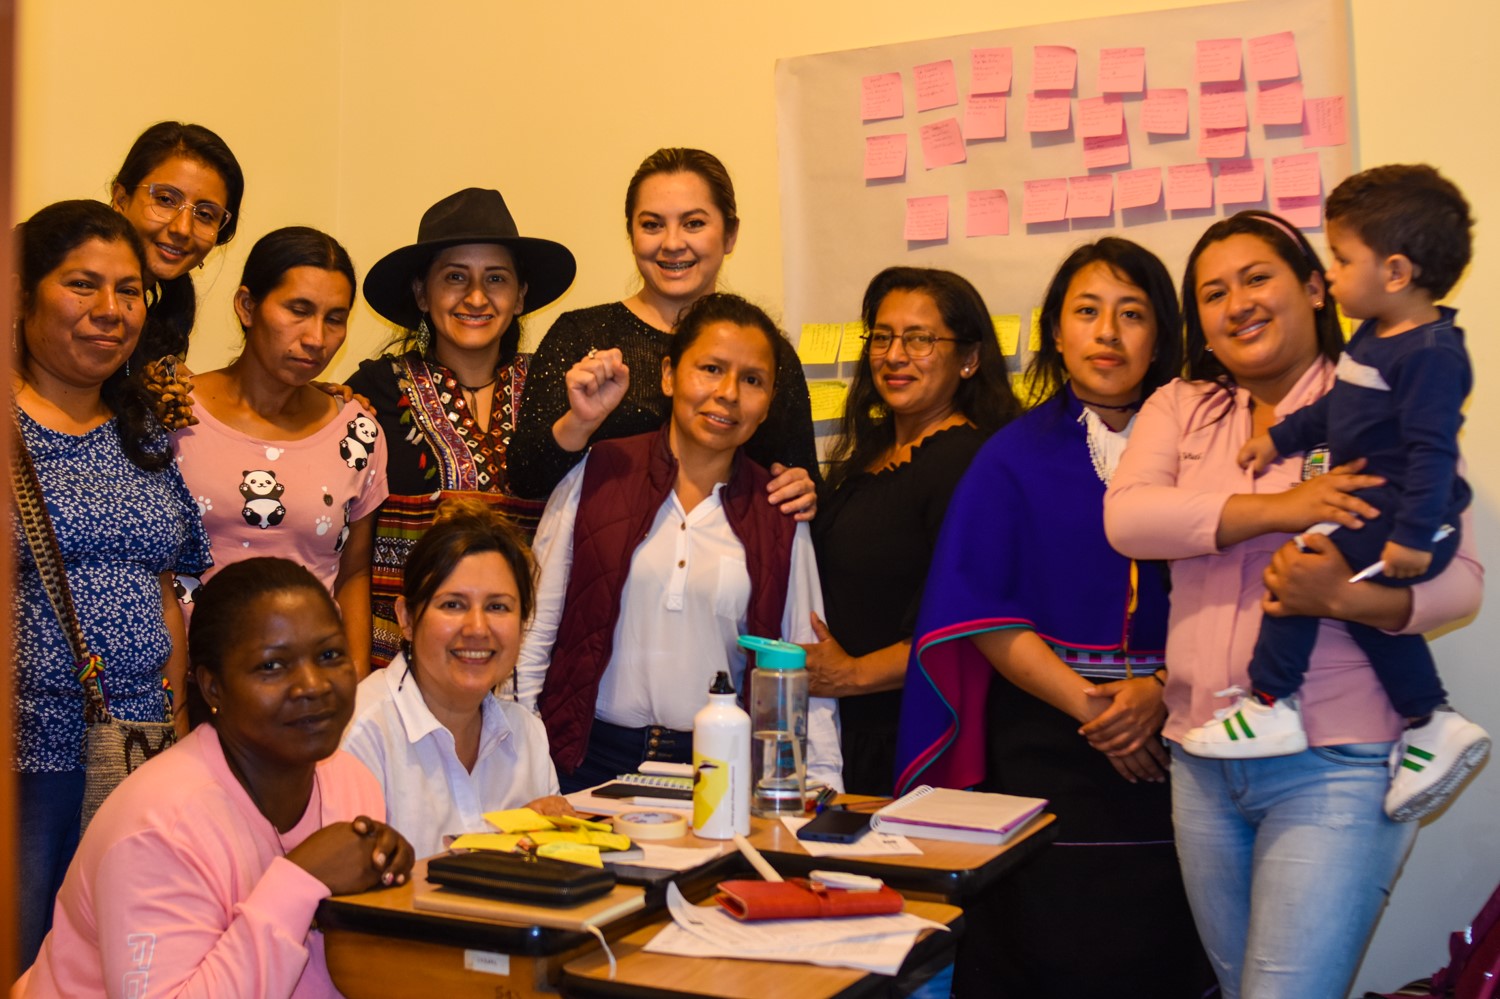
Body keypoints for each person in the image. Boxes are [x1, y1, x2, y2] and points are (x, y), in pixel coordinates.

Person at [1104, 210, 1483, 999]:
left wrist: (1344, 597)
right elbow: (1129, 518)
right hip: (1203, 757)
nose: (1235, 302)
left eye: (1256, 278)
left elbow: (1460, 581)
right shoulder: (1182, 406)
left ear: (1316, 288)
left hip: (1335, 761)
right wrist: (1283, 505)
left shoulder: (1385, 395)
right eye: (1212, 292)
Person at [894, 239, 1212, 997]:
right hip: (1045, 747)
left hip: (1182, 740)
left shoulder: (1209, 452)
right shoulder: (1011, 457)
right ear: (1056, 332)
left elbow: (1240, 598)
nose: (1108, 333)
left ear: (1163, 336)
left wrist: (1158, 691)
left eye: (1132, 314)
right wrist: (1096, 708)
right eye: (1088, 311)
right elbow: (982, 613)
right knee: (1043, 955)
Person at [1183, 168, 1489, 821]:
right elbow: (1334, 412)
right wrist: (1279, 439)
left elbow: (1434, 451)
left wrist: (1411, 535)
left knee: (1298, 572)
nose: (1334, 273)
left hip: (1408, 517)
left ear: (1397, 272)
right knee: (1325, 587)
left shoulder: (1431, 354)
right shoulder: (1376, 338)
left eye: (1343, 260)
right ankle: (1429, 719)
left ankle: (1273, 703)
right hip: (1377, 511)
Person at [17, 558, 415, 999]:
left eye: (329, 655)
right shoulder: (157, 830)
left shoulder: (351, 780)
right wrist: (299, 880)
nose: (312, 685)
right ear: (212, 688)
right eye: (272, 666)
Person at [515, 293, 841, 794]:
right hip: (584, 761)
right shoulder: (598, 473)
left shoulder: (779, 510)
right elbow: (535, 629)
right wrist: (522, 762)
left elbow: (803, 667)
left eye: (752, 380)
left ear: (770, 400)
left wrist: (821, 785)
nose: (728, 393)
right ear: (669, 376)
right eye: (710, 368)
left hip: (718, 770)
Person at [9, 200, 213, 968]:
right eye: (82, 285)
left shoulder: (144, 427)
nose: (110, 311)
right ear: (21, 294)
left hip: (137, 754)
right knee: (26, 959)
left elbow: (166, 588)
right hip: (28, 761)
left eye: (128, 291)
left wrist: (181, 738)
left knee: (121, 962)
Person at [507, 147, 817, 518]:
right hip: (606, 567)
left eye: (694, 223)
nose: (672, 243)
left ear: (730, 234)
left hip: (728, 571)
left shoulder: (766, 353)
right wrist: (581, 423)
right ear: (631, 234)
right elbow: (526, 478)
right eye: (652, 224)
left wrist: (803, 491)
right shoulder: (580, 334)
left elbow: (803, 480)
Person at [803, 267, 1017, 796]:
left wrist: (850, 675)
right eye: (882, 337)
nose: (895, 355)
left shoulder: (967, 462)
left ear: (969, 359)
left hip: (918, 737)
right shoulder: (869, 456)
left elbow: (967, 625)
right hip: (849, 729)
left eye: (920, 339)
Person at [347, 188, 577, 668]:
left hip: (528, 670)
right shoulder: (374, 390)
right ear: (421, 294)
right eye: (455, 278)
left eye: (496, 278)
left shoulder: (557, 390)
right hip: (398, 674)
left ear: (520, 297)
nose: (476, 297)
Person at [170, 227, 387, 674]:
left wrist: (355, 689)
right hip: (188, 681)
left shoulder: (358, 433)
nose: (316, 338)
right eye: (298, 310)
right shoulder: (174, 414)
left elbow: (353, 575)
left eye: (334, 318)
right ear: (248, 306)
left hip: (305, 688)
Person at [342, 498, 569, 859]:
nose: (477, 628)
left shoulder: (527, 734)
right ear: (407, 619)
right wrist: (504, 842)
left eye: (498, 607)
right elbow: (354, 900)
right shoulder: (363, 733)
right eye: (453, 605)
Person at [110, 121, 245, 364]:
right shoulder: (43, 257)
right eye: (165, 199)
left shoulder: (167, 317)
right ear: (121, 199)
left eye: (205, 215)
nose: (183, 229)